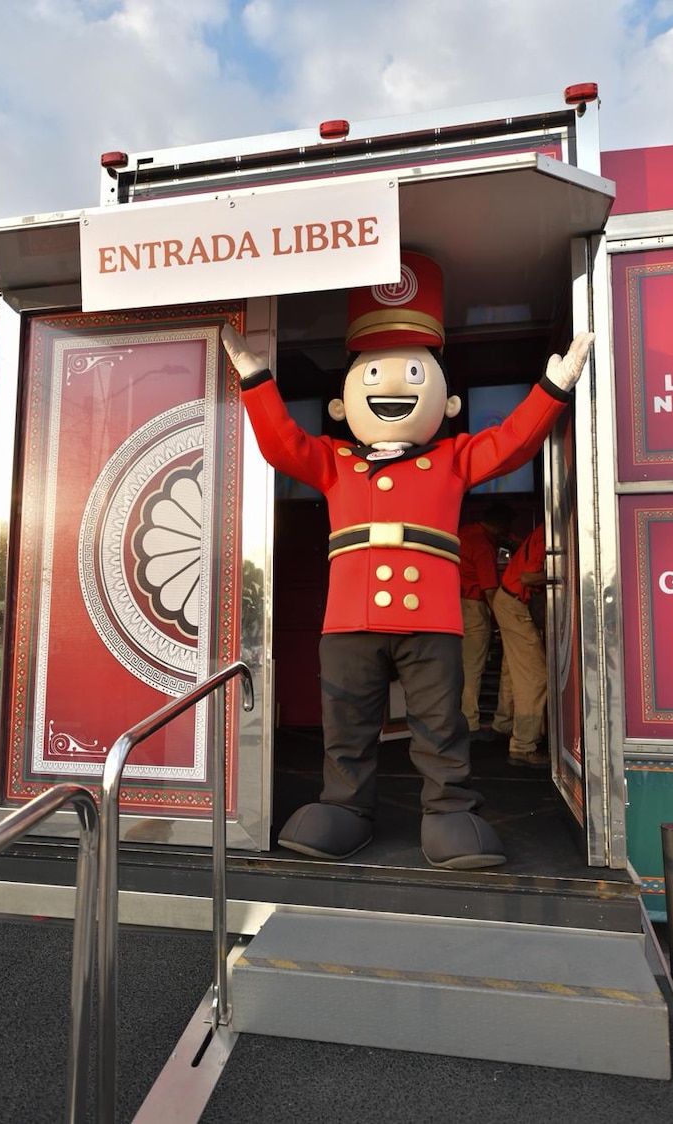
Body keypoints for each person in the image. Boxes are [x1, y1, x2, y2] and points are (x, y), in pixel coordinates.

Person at [222, 249, 593, 869]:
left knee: (439, 724)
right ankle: (344, 807)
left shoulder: (452, 457)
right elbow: (281, 444)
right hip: (348, 621)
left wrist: (551, 389)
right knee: (346, 725)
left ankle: (451, 810)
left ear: (448, 404)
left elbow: (512, 443)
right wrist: (258, 382)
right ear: (342, 405)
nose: (391, 388)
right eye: (373, 376)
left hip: (432, 620)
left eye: (413, 376)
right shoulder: (335, 461)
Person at [491, 523, 549, 768]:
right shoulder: (551, 531)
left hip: (509, 601)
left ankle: (504, 725)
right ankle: (523, 746)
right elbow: (527, 577)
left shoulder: (544, 529)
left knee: (514, 672)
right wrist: (566, 571)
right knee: (534, 677)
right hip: (515, 605)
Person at [458, 502, 514, 740]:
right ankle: (469, 723)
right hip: (473, 607)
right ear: (501, 525)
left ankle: (457, 719)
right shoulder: (483, 546)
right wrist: (503, 622)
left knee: (456, 667)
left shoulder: (463, 533)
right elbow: (490, 589)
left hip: (451, 605)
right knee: (472, 668)